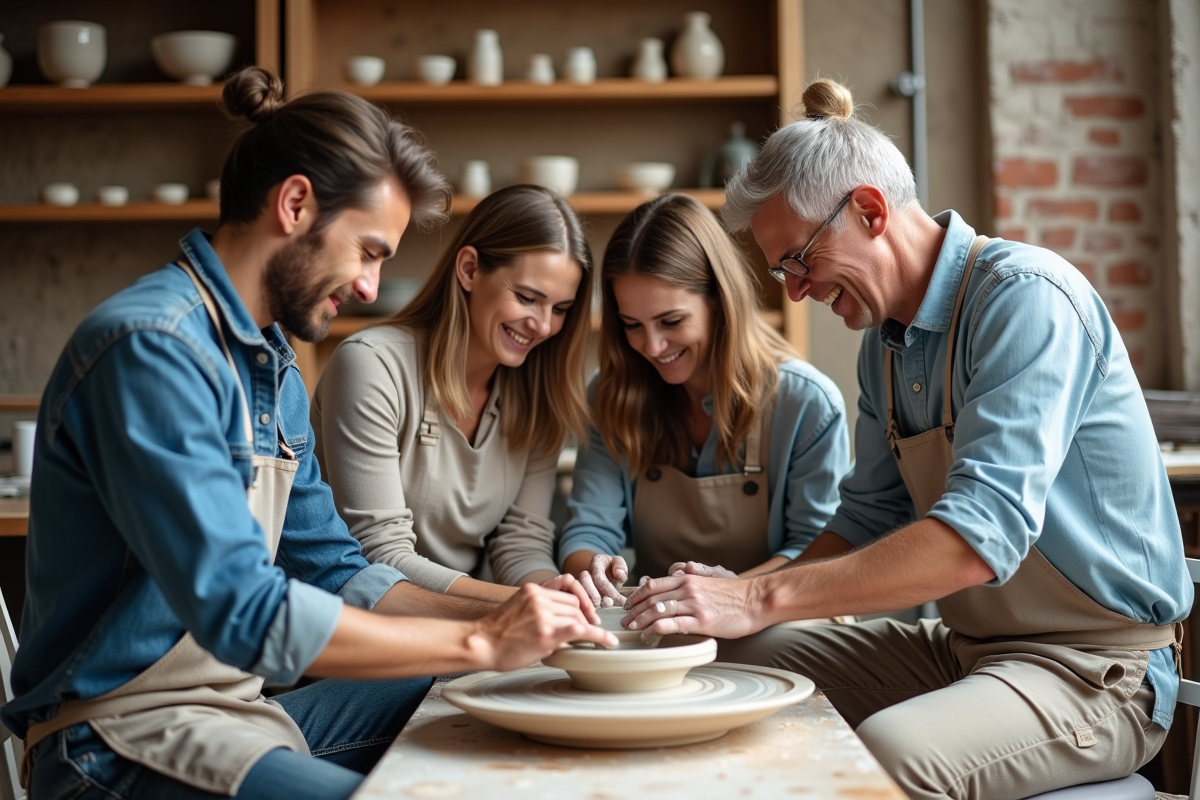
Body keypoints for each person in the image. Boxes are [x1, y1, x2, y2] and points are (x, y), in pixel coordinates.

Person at [0, 67, 613, 800]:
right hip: (114, 740)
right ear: (294, 205)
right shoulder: (153, 347)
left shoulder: (273, 367)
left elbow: (339, 572)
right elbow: (243, 612)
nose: (366, 287)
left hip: (239, 715)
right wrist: (481, 636)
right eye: (370, 251)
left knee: (512, 692)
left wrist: (524, 617)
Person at [621, 78, 1191, 799]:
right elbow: (865, 519)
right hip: (969, 654)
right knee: (725, 650)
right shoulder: (884, 347)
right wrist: (732, 596)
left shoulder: (1026, 300)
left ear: (868, 209)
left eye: (797, 260)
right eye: (779, 271)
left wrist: (760, 597)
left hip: (1096, 674)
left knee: (893, 748)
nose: (794, 291)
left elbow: (975, 540)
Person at [559, 194, 850, 607]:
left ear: (719, 302)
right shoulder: (609, 394)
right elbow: (589, 528)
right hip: (662, 623)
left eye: (671, 321)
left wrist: (729, 599)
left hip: (782, 618)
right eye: (632, 325)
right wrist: (594, 570)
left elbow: (817, 553)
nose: (653, 345)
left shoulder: (806, 403)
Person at [312, 184, 593, 603]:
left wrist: (557, 593)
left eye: (560, 309)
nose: (544, 326)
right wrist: (523, 606)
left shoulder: (540, 394)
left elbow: (521, 543)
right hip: (357, 628)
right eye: (527, 298)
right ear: (468, 269)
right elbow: (381, 553)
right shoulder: (371, 365)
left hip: (467, 629)